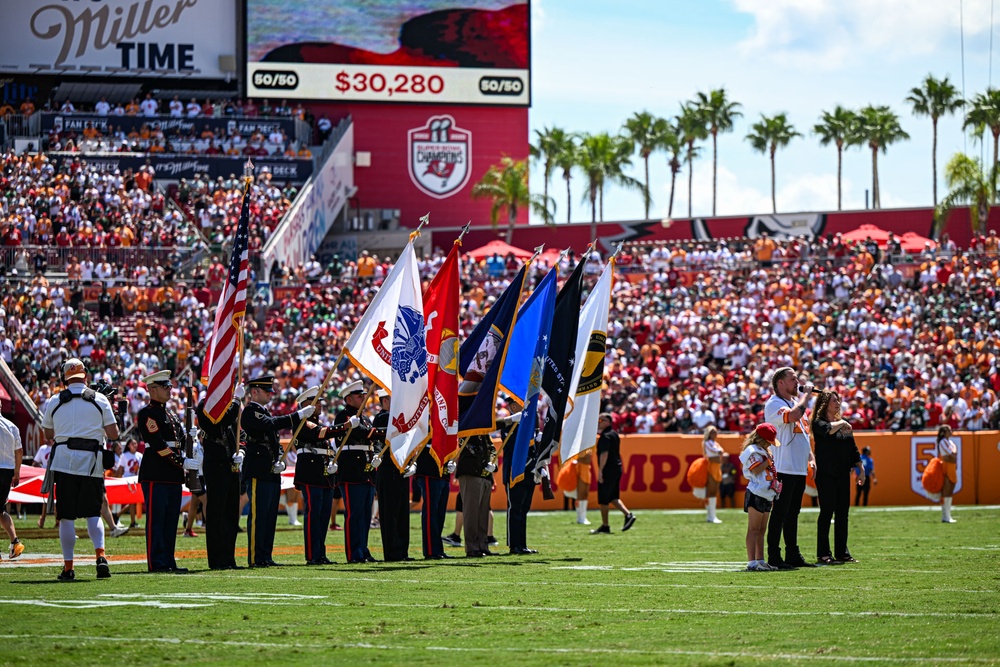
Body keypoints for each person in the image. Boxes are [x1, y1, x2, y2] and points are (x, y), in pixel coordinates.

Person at [41, 359, 119, 581]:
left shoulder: (54, 400)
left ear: (65, 377)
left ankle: (68, 567)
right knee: (93, 513)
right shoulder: (100, 400)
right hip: (91, 463)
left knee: (66, 517)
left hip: (64, 462)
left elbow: (48, 434)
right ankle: (100, 556)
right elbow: (113, 434)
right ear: (85, 375)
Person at [239, 374, 314, 567]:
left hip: (271, 470)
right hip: (257, 469)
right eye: (266, 391)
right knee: (258, 515)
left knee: (269, 516)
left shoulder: (265, 412)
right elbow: (269, 426)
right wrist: (296, 416)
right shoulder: (250, 412)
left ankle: (266, 555)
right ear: (254, 392)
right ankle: (256, 557)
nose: (270, 394)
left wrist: (279, 457)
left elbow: (274, 440)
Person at [136, 370, 198, 573]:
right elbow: (158, 445)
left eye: (170, 386)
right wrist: (181, 461)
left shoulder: (170, 413)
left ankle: (169, 560)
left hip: (172, 475)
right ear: (152, 389)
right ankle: (157, 562)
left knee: (171, 520)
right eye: (165, 387)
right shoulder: (147, 413)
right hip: (156, 472)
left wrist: (191, 436)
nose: (169, 390)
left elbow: (179, 439)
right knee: (157, 520)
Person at [764, 367, 816, 569]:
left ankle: (792, 553)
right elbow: (793, 416)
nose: (797, 381)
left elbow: (803, 433)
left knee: (793, 513)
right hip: (784, 466)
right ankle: (774, 556)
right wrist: (807, 396)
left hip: (798, 468)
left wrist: (811, 457)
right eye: (792, 379)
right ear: (780, 383)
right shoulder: (774, 403)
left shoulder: (795, 403)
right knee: (780, 513)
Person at [290, 386, 342, 565]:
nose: (319, 405)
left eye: (319, 401)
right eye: (315, 401)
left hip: (323, 473)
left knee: (323, 515)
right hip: (311, 473)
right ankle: (312, 554)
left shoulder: (318, 422)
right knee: (314, 514)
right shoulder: (302, 421)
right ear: (305, 404)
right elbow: (319, 434)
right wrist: (345, 426)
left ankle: (321, 553)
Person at [811, 390, 864, 565]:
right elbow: (828, 431)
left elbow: (853, 448)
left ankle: (842, 552)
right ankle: (823, 553)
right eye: (835, 400)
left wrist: (860, 468)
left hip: (842, 474)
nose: (838, 403)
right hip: (826, 475)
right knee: (826, 513)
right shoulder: (818, 423)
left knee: (843, 513)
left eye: (839, 400)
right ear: (825, 403)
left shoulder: (843, 424)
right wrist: (842, 423)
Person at [196, 382, 244, 570]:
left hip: (230, 463)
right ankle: (217, 560)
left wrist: (242, 452)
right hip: (216, 464)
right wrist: (237, 401)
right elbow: (220, 423)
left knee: (231, 513)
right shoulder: (205, 407)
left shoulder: (226, 407)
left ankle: (229, 558)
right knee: (217, 513)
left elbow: (237, 433)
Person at [333, 380, 377, 563]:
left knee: (365, 515)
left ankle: (363, 549)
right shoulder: (343, 416)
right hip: (351, 469)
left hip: (365, 470)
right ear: (349, 398)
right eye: (360, 396)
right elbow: (359, 432)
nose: (364, 398)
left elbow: (368, 434)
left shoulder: (364, 417)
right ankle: (354, 553)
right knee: (354, 514)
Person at [371, 390, 413, 562]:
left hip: (400, 467)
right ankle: (392, 552)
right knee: (390, 513)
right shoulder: (382, 418)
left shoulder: (398, 416)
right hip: (387, 468)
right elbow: (379, 440)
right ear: (386, 400)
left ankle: (402, 550)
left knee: (402, 512)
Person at [740, 423, 782, 571]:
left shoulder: (764, 450)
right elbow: (756, 469)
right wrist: (768, 461)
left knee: (762, 529)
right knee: (754, 529)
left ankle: (760, 560)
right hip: (756, 493)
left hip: (767, 492)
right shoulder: (752, 451)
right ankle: (752, 562)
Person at [590, 413, 636, 534]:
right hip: (616, 468)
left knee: (604, 498)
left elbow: (604, 454)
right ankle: (628, 515)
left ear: (609, 422)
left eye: (601, 420)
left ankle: (605, 525)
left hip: (608, 469)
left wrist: (600, 471)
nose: (599, 422)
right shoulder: (614, 434)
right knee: (613, 497)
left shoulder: (606, 436)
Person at [500, 412, 538, 554]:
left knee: (524, 510)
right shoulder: (511, 424)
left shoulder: (529, 424)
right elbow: (513, 447)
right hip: (514, 473)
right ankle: (514, 545)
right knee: (515, 509)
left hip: (529, 474)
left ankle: (522, 544)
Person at [456, 434, 497, 557]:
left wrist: (492, 462)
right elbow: (466, 445)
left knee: (483, 512)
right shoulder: (468, 424)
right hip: (471, 470)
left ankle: (482, 545)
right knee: (471, 512)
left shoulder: (484, 432)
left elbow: (491, 448)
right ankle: (472, 547)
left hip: (485, 474)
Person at [415, 430, 451, 559]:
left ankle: (438, 549)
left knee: (440, 513)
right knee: (431, 512)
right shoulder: (426, 415)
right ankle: (430, 550)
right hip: (428, 468)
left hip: (442, 469)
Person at [1, 398, 25, 559]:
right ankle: (15, 542)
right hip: (7, 470)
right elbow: (19, 451)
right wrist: (16, 473)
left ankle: (15, 542)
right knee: (1, 509)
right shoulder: (12, 426)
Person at [703, 425, 725, 523]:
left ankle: (712, 515)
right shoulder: (707, 442)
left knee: (714, 491)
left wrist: (719, 451)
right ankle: (711, 516)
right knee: (711, 490)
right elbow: (716, 451)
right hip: (711, 466)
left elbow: (721, 451)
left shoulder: (715, 443)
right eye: (712, 432)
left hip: (717, 467)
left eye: (715, 432)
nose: (714, 434)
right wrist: (719, 452)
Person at [937, 425, 959, 523]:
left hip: (952, 466)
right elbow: (951, 455)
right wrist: (952, 457)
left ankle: (948, 515)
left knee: (950, 491)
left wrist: (952, 457)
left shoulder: (950, 442)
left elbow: (954, 455)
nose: (951, 432)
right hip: (946, 466)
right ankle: (945, 516)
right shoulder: (942, 442)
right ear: (944, 432)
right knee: (946, 491)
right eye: (949, 431)